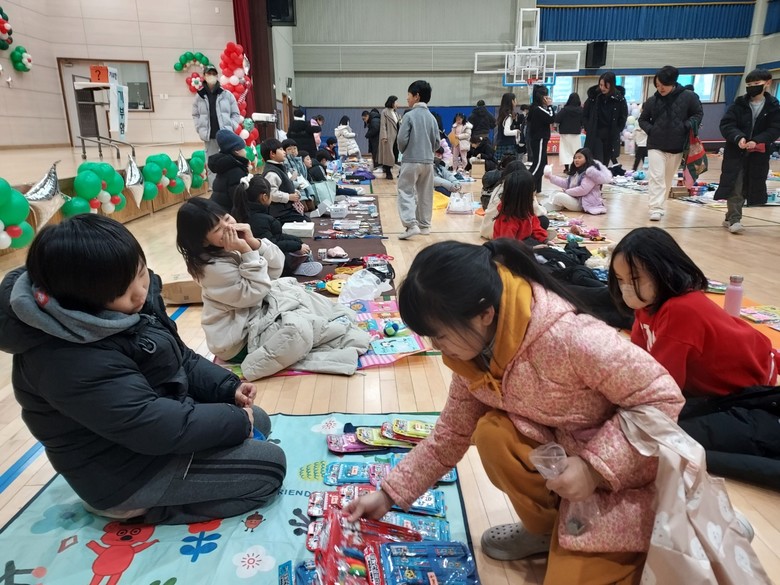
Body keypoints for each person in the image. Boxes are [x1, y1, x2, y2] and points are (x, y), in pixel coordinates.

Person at [343, 238, 683, 583]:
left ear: (484, 314)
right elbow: (451, 435)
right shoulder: (475, 354)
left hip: (620, 481)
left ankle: (624, 541)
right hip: (566, 468)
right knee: (493, 433)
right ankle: (547, 531)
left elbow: (662, 399)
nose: (437, 348)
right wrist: (388, 495)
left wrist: (593, 469)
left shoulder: (571, 338)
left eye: (440, 336)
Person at [0, 214, 286, 525]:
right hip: (125, 474)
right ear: (83, 299)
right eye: (120, 292)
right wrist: (233, 421)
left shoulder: (119, 306)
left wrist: (227, 387)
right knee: (269, 468)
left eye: (139, 273)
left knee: (257, 419)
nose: (139, 292)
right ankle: (137, 510)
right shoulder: (64, 358)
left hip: (151, 437)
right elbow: (150, 425)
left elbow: (178, 357)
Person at [609, 227, 780, 489]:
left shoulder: (680, 311)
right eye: (620, 280)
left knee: (662, 435)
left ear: (663, 271)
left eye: (633, 279)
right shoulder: (648, 305)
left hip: (752, 383)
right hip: (713, 379)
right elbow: (638, 360)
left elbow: (660, 390)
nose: (625, 288)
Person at [176, 198, 370, 380]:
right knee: (297, 328)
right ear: (203, 241)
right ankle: (257, 364)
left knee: (298, 291)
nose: (229, 227)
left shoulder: (232, 244)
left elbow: (276, 268)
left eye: (227, 219)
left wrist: (254, 243)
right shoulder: (211, 267)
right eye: (219, 229)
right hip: (239, 339)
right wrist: (246, 251)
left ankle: (333, 322)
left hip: (256, 312)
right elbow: (253, 294)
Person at [714, 69, 780, 234]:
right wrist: (738, 137)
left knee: (747, 186)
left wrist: (757, 140)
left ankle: (729, 217)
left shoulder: (774, 107)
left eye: (756, 84)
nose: (752, 87)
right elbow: (727, 125)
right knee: (735, 184)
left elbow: (775, 129)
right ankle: (735, 219)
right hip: (735, 153)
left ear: (767, 83)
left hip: (758, 154)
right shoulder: (738, 105)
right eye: (749, 84)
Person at [639, 65, 703, 221]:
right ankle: (655, 208)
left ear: (673, 82)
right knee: (656, 176)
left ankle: (660, 205)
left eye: (664, 85)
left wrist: (685, 126)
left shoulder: (689, 97)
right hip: (655, 144)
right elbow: (642, 119)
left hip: (677, 146)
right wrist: (652, 130)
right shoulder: (652, 101)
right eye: (657, 85)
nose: (660, 88)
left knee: (667, 179)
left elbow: (698, 114)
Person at [231, 175, 314, 277]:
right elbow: (272, 245)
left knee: (295, 247)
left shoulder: (240, 212)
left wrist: (297, 241)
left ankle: (296, 263)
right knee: (286, 255)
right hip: (266, 264)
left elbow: (276, 237)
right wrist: (297, 246)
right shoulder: (259, 219)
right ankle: (293, 266)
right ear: (264, 197)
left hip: (253, 258)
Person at [396, 80, 440, 240]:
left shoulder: (409, 116)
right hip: (428, 162)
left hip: (411, 160)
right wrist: (428, 151)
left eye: (408, 94)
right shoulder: (432, 118)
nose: (407, 98)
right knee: (425, 193)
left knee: (405, 190)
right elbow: (437, 142)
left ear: (416, 96)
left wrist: (404, 151)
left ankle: (410, 224)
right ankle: (425, 226)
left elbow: (401, 139)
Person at [192, 65, 241, 187]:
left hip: (225, 136)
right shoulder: (199, 96)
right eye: (209, 74)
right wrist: (200, 129)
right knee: (212, 166)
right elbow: (195, 114)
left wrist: (231, 127)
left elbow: (236, 114)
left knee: (229, 163)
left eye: (214, 74)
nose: (211, 76)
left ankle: (230, 188)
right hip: (210, 137)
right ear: (204, 76)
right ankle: (215, 190)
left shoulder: (227, 94)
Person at [481, 160, 548, 240]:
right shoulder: (509, 215)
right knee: (543, 220)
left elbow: (534, 223)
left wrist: (544, 240)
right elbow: (507, 243)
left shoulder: (500, 187)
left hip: (487, 228)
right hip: (501, 237)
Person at [544, 147, 610, 215]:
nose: (576, 160)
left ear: (587, 158)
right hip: (575, 198)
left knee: (559, 196)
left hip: (583, 203)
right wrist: (551, 177)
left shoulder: (590, 173)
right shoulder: (576, 171)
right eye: (575, 158)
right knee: (555, 193)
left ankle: (551, 207)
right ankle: (552, 207)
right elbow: (567, 183)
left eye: (579, 158)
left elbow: (583, 189)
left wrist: (567, 192)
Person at [493, 170, 550, 245]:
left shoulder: (524, 209)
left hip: (523, 240)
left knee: (543, 223)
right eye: (532, 190)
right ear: (524, 195)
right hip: (510, 247)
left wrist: (544, 240)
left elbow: (535, 226)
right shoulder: (508, 219)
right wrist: (532, 248)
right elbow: (507, 246)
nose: (534, 193)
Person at [583, 72, 628, 167]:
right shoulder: (594, 97)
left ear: (612, 84)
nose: (602, 88)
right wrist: (588, 127)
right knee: (596, 162)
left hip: (610, 136)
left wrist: (618, 129)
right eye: (601, 85)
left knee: (605, 164)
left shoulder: (619, 99)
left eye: (606, 85)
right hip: (595, 134)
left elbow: (623, 116)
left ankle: (601, 177)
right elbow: (585, 114)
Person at [259, 138, 307, 224]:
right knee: (305, 222)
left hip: (286, 209)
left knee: (305, 219)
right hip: (279, 213)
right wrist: (289, 197)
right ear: (272, 154)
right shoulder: (271, 172)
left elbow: (285, 186)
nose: (284, 152)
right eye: (281, 149)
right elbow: (271, 194)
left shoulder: (279, 168)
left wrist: (294, 192)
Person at [208, 129, 249, 211]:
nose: (246, 151)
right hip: (227, 213)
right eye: (243, 148)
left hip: (218, 210)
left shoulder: (226, 165)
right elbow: (238, 201)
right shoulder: (236, 171)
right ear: (237, 151)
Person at [526, 85, 555, 193]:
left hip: (539, 139)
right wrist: (550, 106)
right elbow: (551, 118)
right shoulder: (538, 109)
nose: (548, 98)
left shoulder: (536, 108)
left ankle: (537, 189)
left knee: (542, 165)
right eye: (546, 96)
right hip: (539, 139)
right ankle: (526, 186)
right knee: (538, 165)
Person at [282, 139, 315, 211]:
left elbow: (304, 177)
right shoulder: (285, 163)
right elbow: (287, 179)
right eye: (289, 149)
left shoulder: (300, 161)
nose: (293, 151)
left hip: (304, 189)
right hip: (295, 191)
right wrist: (297, 185)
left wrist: (310, 191)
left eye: (295, 148)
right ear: (284, 151)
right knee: (304, 209)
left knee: (312, 208)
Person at [555, 93, 584, 173]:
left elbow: (557, 119)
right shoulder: (581, 110)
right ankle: (575, 168)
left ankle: (567, 168)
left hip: (565, 133)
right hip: (576, 133)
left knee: (565, 151)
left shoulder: (564, 110)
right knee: (575, 151)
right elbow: (583, 121)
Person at [378, 95, 401, 179]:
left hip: (396, 136)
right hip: (389, 136)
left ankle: (389, 169)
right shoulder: (385, 112)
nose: (397, 104)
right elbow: (383, 125)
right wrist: (384, 136)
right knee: (388, 155)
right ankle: (388, 172)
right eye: (396, 102)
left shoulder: (395, 113)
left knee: (395, 153)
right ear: (392, 102)